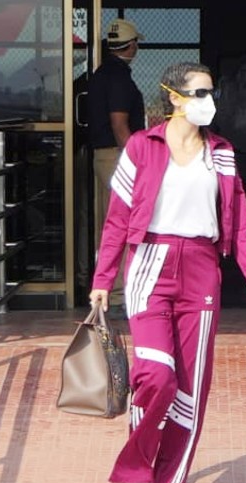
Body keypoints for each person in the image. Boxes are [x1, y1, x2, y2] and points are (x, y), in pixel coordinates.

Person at [89, 62, 246, 483]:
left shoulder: (223, 152)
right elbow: (116, 219)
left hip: (201, 269)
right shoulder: (141, 146)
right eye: (199, 92)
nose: (208, 100)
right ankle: (137, 476)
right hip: (150, 262)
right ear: (173, 97)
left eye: (212, 92)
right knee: (156, 377)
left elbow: (240, 219)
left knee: (191, 386)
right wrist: (102, 279)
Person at [87, 19, 145, 303]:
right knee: (123, 222)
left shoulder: (100, 73)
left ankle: (107, 287)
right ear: (131, 45)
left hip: (103, 156)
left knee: (108, 222)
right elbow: (120, 124)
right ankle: (121, 293)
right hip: (117, 156)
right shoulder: (120, 78)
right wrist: (136, 160)